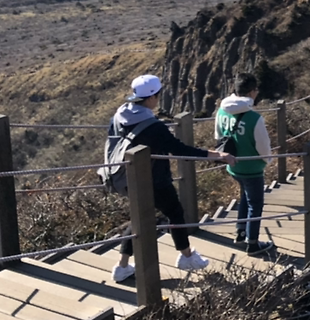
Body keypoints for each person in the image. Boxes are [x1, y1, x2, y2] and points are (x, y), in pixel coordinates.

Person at [109, 74, 235, 283]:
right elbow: (180, 150)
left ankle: (122, 267)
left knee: (141, 217)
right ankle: (187, 257)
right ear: (151, 97)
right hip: (154, 179)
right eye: (158, 95)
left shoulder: (120, 115)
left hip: (125, 176)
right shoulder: (153, 126)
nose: (158, 99)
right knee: (174, 212)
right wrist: (217, 155)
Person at [215, 73, 273, 256]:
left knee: (245, 198)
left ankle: (241, 233)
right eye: (256, 90)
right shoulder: (254, 118)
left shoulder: (221, 111)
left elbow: (218, 137)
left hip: (233, 166)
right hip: (252, 168)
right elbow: (263, 147)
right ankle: (253, 244)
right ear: (251, 92)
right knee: (255, 204)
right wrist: (267, 161)